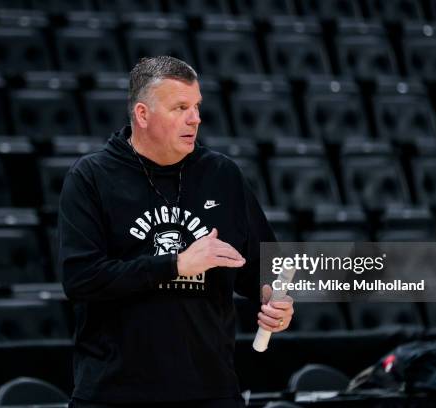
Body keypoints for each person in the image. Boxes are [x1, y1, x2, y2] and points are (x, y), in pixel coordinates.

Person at [58, 56, 294, 408]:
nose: (195, 118)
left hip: (211, 391)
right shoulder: (92, 177)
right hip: (115, 394)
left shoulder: (222, 175)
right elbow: (80, 279)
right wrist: (175, 265)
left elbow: (264, 268)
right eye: (180, 107)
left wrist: (275, 301)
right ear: (142, 114)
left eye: (196, 106)